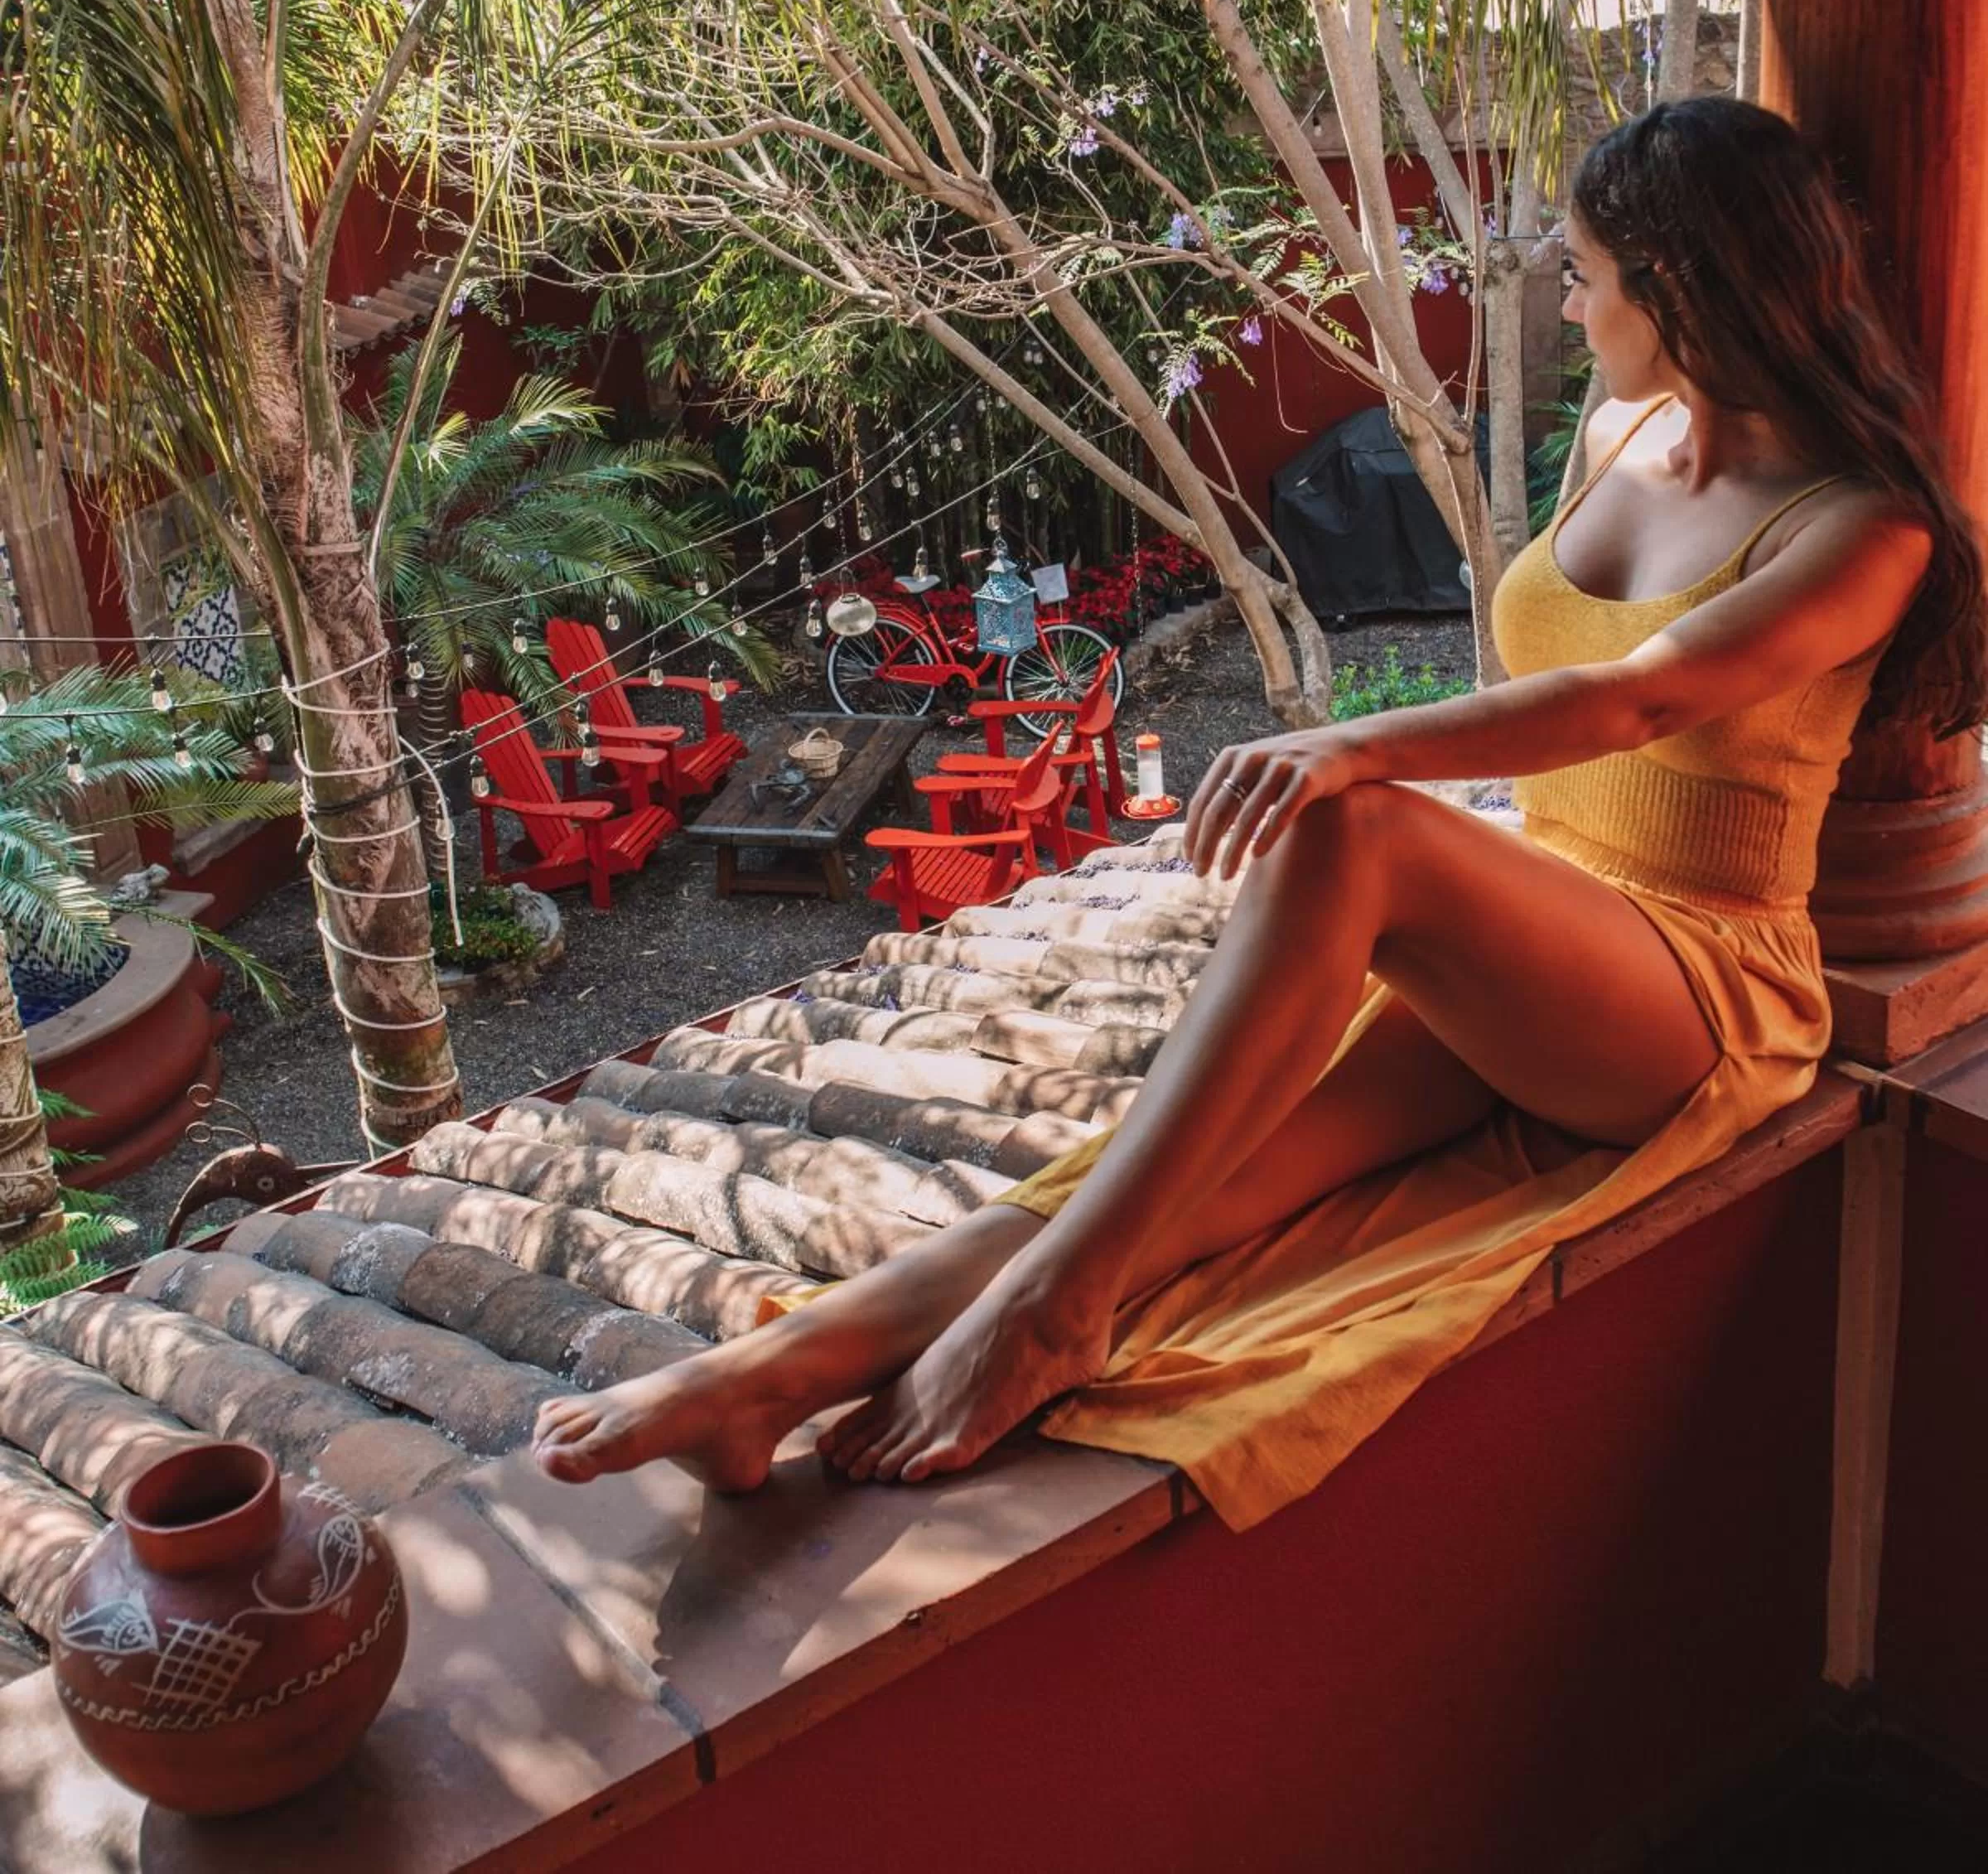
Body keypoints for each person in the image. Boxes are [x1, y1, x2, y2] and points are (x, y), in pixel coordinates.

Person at [532, 97, 1986, 1514]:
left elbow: (1647, 698)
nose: (1572, 301)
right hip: (1542, 957)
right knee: (1182, 1169)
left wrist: (1360, 751)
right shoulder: (1617, 438)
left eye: (1587, 279)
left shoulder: (1860, 527)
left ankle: (1056, 1313)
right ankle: (771, 1375)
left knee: (1353, 822)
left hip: (1697, 996)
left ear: (1675, 296)